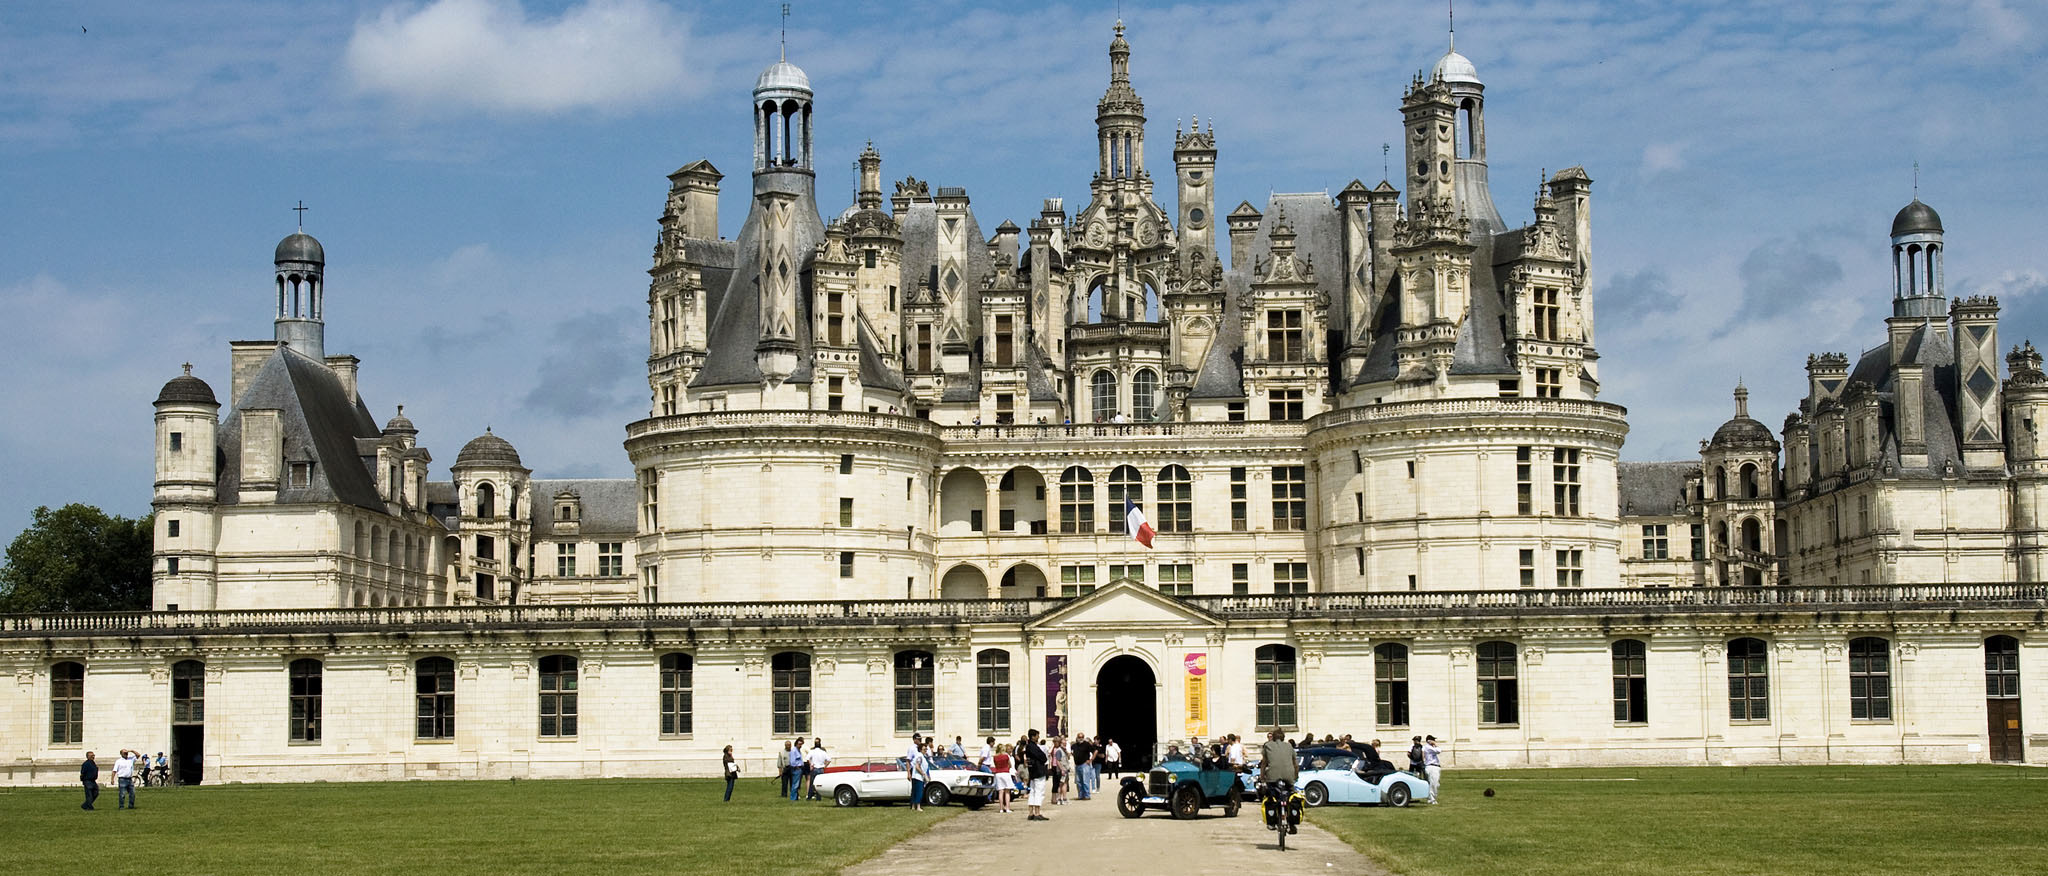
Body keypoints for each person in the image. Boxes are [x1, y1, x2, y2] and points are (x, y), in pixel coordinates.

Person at [1023, 729, 1051, 821]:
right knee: (1039, 792)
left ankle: (1031, 812)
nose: (1038, 737)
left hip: (1033, 771)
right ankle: (1037, 812)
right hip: (1038, 771)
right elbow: (1043, 757)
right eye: (1037, 736)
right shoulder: (1033, 746)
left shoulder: (1028, 746)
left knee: (1033, 792)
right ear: (1033, 736)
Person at [1069, 733, 1094, 800]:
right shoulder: (1074, 745)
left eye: (1082, 737)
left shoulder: (1087, 744)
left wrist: (1091, 760)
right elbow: (1070, 751)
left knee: (1085, 781)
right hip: (1077, 765)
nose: (1080, 738)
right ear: (1077, 737)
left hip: (1085, 765)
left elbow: (1095, 751)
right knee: (1079, 782)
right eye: (1079, 737)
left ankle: (1087, 795)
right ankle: (1080, 795)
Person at [993, 744, 1015, 813]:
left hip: (998, 773)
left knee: (1000, 791)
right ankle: (1007, 808)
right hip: (1005, 772)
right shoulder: (1006, 756)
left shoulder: (995, 757)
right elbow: (1010, 765)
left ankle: (1001, 808)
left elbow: (995, 765)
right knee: (1007, 791)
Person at [1423, 735, 1443, 804]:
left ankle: (1430, 798)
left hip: (1435, 767)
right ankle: (1432, 799)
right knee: (1433, 784)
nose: (1434, 741)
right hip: (1431, 767)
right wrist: (1435, 745)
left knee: (1436, 784)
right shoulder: (1428, 747)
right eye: (1433, 740)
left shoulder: (1430, 747)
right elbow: (1439, 750)